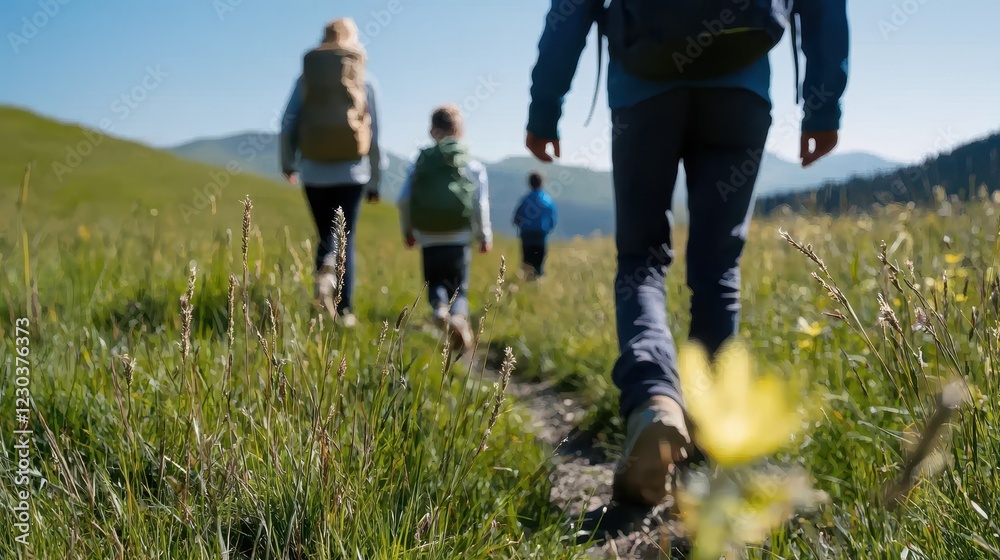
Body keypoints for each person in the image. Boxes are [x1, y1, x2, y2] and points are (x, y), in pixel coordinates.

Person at [525, 0, 849, 509]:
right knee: (718, 265)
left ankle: (655, 401)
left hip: (643, 88)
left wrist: (545, 109)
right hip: (740, 87)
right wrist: (823, 104)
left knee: (641, 259)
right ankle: (710, 436)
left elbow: (571, 9)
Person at [280, 18, 386, 328]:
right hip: (353, 172)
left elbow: (287, 121)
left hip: (312, 169)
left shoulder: (306, 78)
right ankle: (345, 311)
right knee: (345, 238)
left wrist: (289, 162)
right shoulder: (365, 80)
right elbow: (376, 135)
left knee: (325, 233)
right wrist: (376, 180)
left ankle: (324, 273)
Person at [397, 104, 493, 353]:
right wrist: (484, 236)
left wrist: (408, 230)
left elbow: (403, 199)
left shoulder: (421, 163)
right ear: (459, 129)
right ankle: (458, 318)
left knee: (435, 281)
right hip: (459, 236)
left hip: (428, 236)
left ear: (432, 131)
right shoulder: (471, 164)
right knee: (459, 285)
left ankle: (440, 310)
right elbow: (479, 204)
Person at [512, 171, 558, 279]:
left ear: (530, 183)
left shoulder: (525, 200)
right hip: (540, 236)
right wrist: (547, 230)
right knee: (538, 264)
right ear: (541, 183)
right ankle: (537, 286)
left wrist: (522, 228)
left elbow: (516, 218)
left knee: (527, 263)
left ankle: (526, 286)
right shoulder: (547, 200)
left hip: (527, 235)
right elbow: (552, 220)